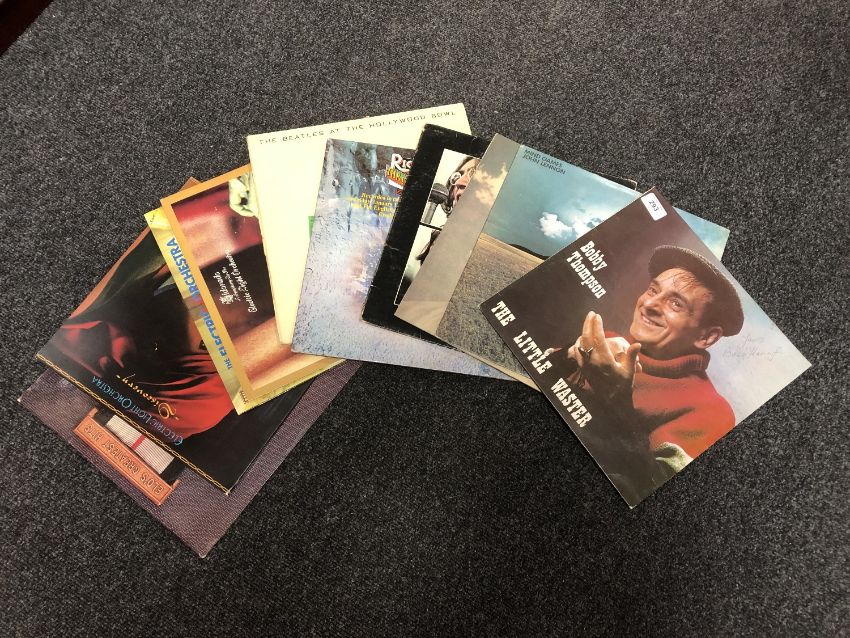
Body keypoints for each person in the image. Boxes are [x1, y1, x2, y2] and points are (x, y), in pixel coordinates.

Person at [563, 245, 744, 500]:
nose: (648, 304)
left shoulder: (713, 412)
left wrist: (616, 403)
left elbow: (645, 487)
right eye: (653, 290)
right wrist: (568, 356)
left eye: (676, 303)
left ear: (706, 337)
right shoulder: (605, 341)